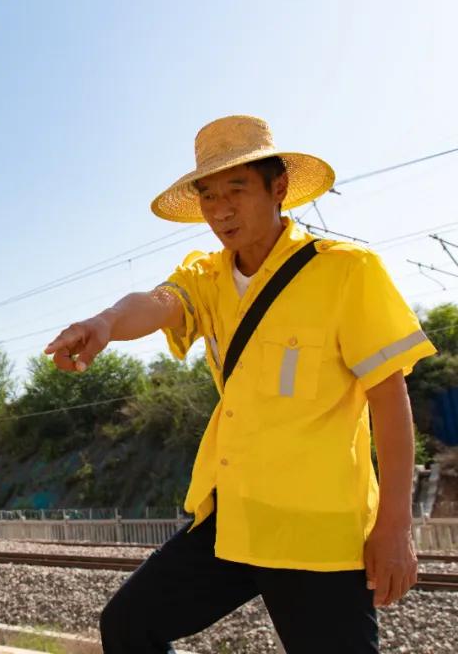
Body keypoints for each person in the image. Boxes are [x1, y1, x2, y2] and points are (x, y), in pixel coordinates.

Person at [45, 115, 436, 653]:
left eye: (236, 189)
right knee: (130, 625)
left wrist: (395, 527)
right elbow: (157, 303)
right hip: (235, 522)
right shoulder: (206, 276)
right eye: (208, 196)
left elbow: (391, 405)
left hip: (315, 532)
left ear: (278, 188)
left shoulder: (347, 272)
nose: (221, 209)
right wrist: (106, 323)